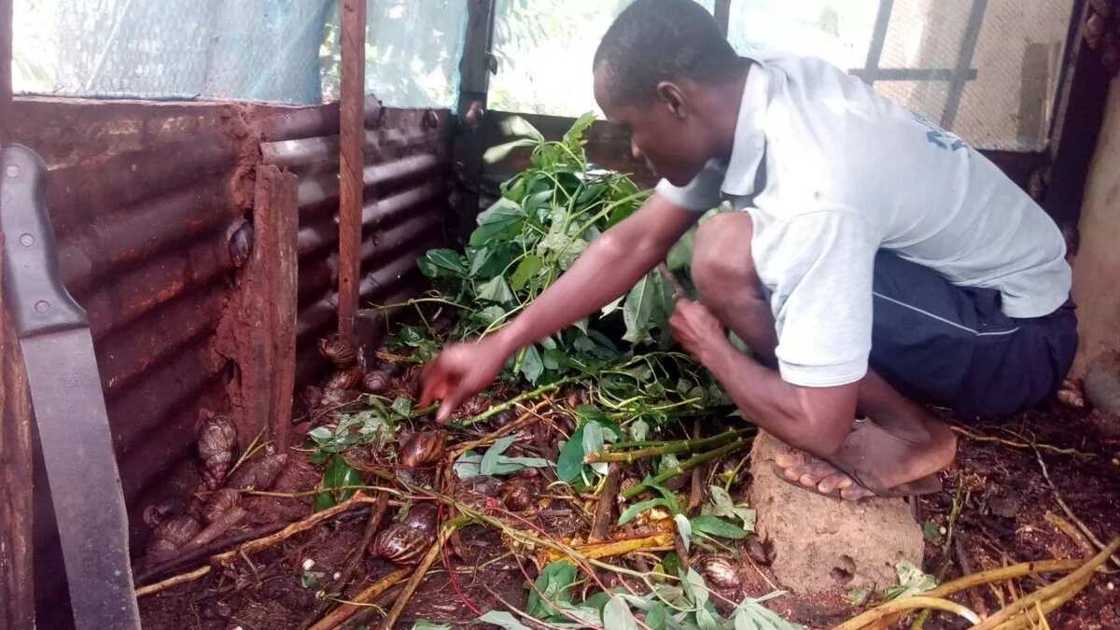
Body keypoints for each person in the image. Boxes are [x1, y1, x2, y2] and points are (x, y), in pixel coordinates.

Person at [420, 0, 1076, 500]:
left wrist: (711, 350)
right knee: (723, 250)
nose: (635, 151)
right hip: (967, 293)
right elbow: (635, 240)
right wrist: (498, 345)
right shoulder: (753, 95)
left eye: (632, 128)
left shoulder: (813, 187)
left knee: (753, 270)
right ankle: (830, 386)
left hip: (1014, 340)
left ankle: (914, 435)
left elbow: (820, 430)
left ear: (673, 99)